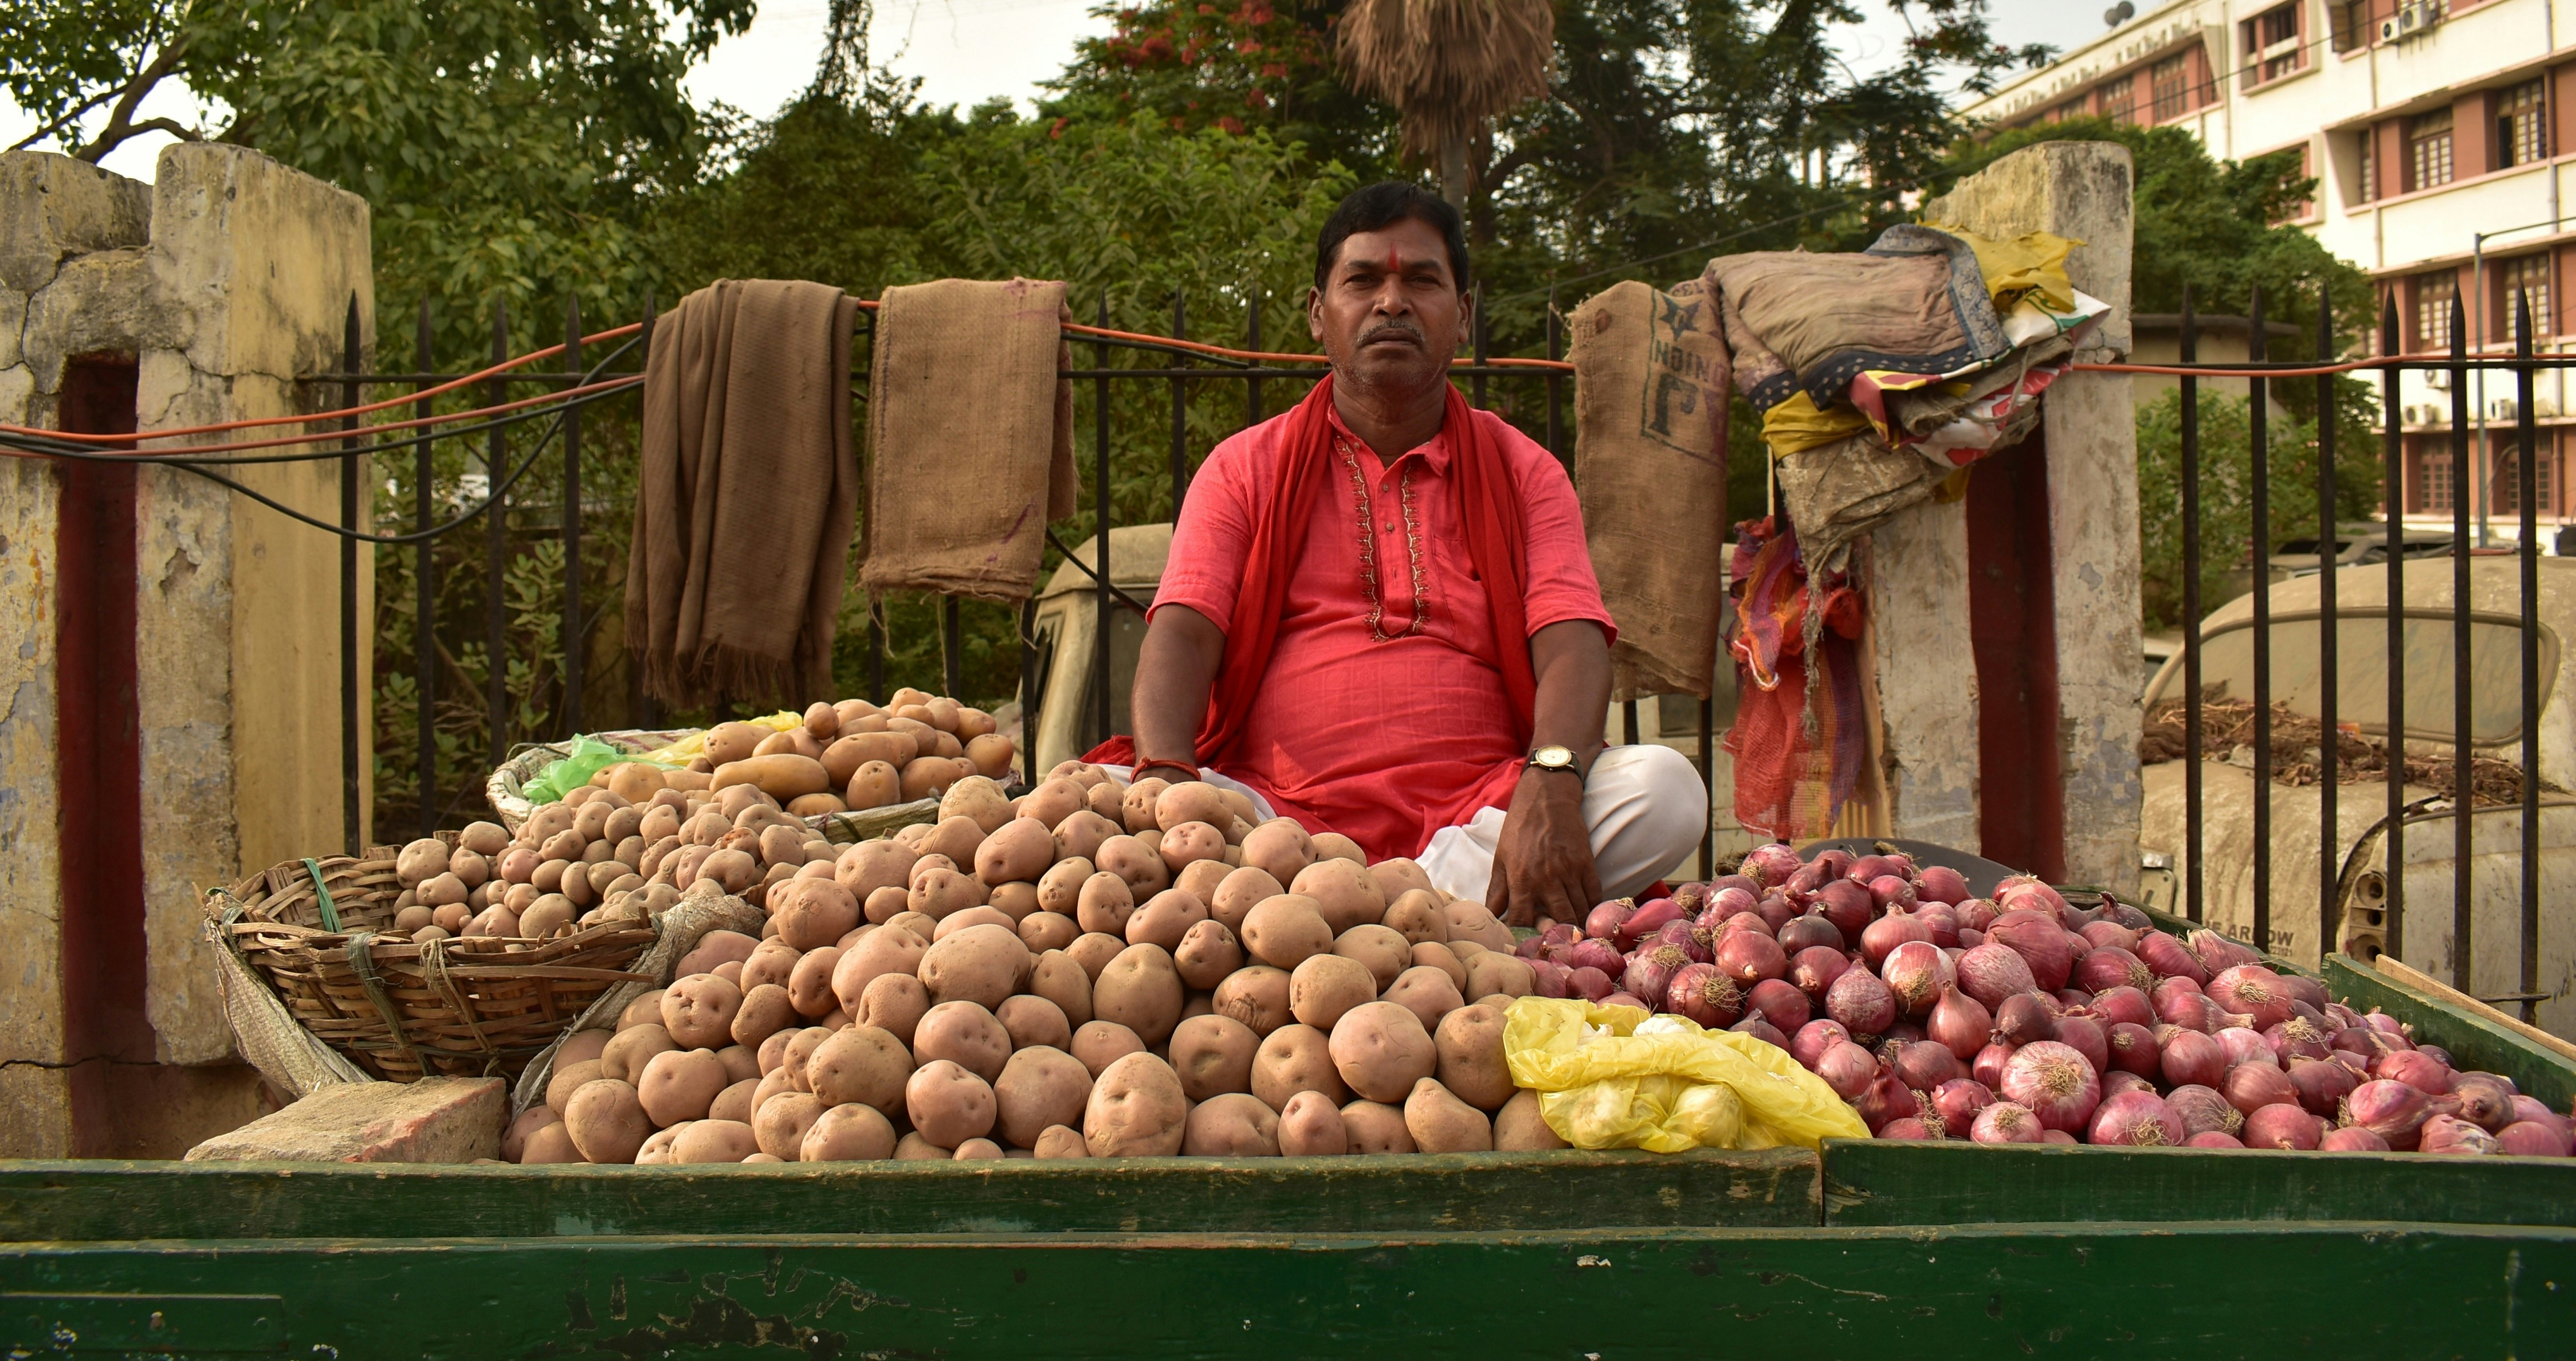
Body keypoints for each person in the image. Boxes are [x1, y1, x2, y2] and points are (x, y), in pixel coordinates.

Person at [1110, 181, 1705, 925]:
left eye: (1421, 280)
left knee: (1669, 789)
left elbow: (1572, 645)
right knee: (1098, 795)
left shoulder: (1524, 470)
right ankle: (1434, 924)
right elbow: (1183, 635)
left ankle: (1344, 922)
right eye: (1363, 280)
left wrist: (1550, 778)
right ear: (1317, 317)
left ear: (1462, 318)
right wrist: (1170, 782)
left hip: (1479, 815)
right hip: (1277, 823)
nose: (1391, 302)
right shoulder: (1244, 467)